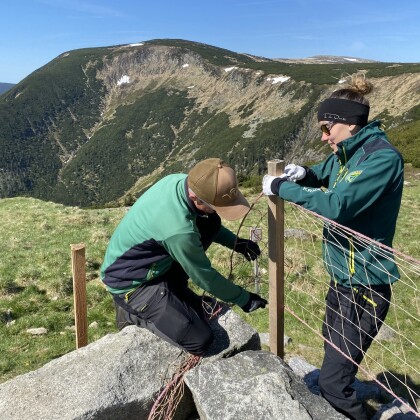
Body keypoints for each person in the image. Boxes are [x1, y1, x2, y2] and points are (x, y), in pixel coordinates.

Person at [262, 73, 404, 420]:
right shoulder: (348, 153)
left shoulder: (380, 159)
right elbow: (325, 173)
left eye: (328, 128)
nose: (324, 137)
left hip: (365, 286)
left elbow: (337, 206)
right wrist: (304, 174)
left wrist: (282, 188)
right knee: (331, 348)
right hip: (343, 278)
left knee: (333, 384)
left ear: (350, 124)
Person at [101, 157, 267, 356]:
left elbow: (208, 226)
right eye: (216, 206)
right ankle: (132, 312)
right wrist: (244, 299)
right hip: (131, 283)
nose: (219, 212)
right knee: (200, 340)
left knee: (210, 221)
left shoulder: (181, 181)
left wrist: (236, 243)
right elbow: (203, 276)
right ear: (196, 198)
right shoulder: (179, 231)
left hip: (151, 262)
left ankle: (173, 290)